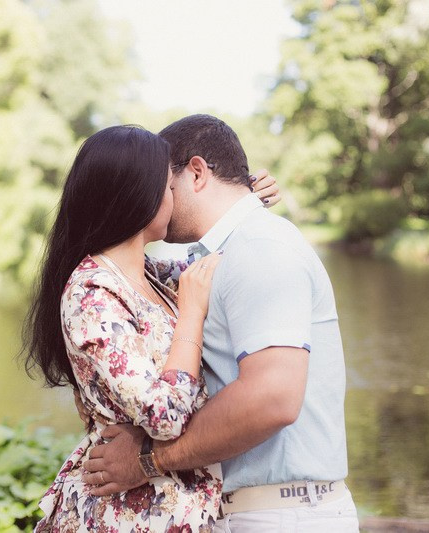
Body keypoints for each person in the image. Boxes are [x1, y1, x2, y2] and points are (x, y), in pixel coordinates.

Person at [80, 114, 360, 532]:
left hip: (283, 515)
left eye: (163, 188)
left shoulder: (260, 248)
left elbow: (272, 398)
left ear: (196, 173)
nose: (156, 201)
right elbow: (122, 270)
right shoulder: (218, 256)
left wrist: (148, 459)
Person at [22, 124, 280, 532]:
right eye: (168, 186)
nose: (175, 196)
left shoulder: (150, 274)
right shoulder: (91, 294)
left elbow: (218, 262)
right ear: (138, 195)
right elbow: (164, 417)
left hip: (176, 510)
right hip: (125, 515)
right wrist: (191, 316)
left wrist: (244, 201)